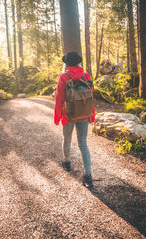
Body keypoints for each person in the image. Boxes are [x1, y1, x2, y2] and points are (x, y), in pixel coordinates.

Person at [54, 51, 96, 188]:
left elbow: (59, 99)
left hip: (68, 115)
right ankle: (88, 175)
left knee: (66, 139)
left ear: (66, 63)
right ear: (79, 62)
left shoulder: (64, 77)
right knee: (83, 144)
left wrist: (57, 116)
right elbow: (91, 97)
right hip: (84, 114)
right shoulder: (86, 75)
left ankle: (67, 162)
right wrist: (92, 114)